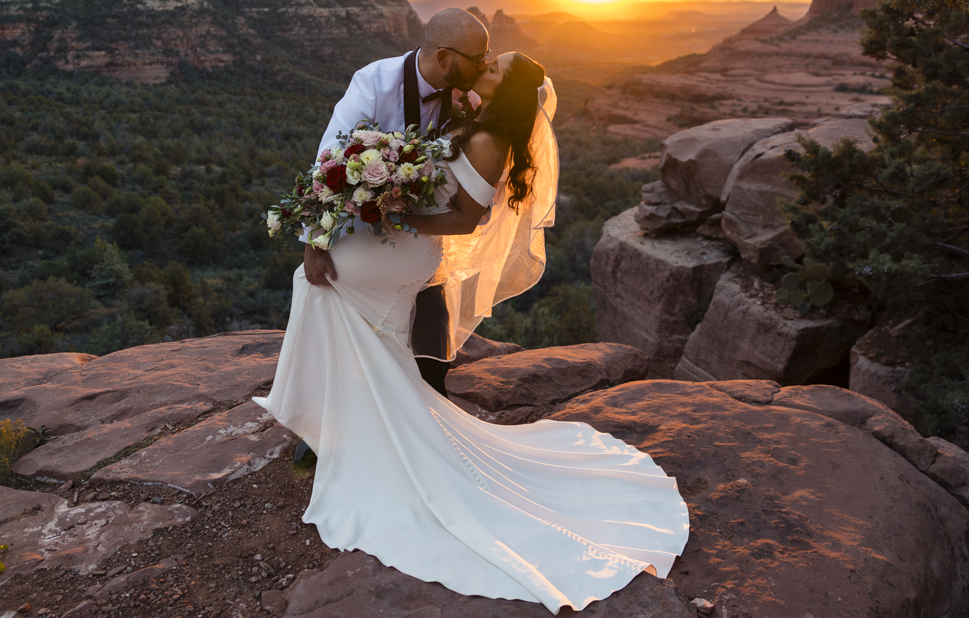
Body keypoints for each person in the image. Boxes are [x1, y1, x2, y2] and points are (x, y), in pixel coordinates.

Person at [254, 49, 689, 614]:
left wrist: (389, 209)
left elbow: (464, 219)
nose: (481, 67)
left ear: (503, 91)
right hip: (400, 244)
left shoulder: (485, 142)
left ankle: (336, 428)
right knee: (331, 303)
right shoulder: (474, 123)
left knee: (316, 287)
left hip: (408, 248)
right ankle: (337, 424)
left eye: (492, 68)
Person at [304, 6, 491, 397]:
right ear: (444, 58)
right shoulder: (373, 83)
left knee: (429, 338)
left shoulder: (470, 99)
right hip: (370, 231)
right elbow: (328, 164)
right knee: (326, 294)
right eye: (476, 60)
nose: (482, 67)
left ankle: (424, 411)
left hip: (427, 235)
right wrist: (315, 243)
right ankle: (331, 410)